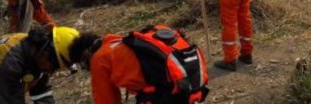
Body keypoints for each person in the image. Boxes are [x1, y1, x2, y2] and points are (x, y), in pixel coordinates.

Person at [73, 25, 209, 104]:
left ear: (87, 54)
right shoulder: (127, 43)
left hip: (170, 96)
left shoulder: (100, 59)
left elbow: (106, 101)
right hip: (193, 87)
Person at [0, 26, 92, 104]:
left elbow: (42, 94)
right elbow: (12, 101)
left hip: (5, 88)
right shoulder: (10, 62)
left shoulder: (39, 57)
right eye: (55, 66)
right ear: (46, 51)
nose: (51, 72)